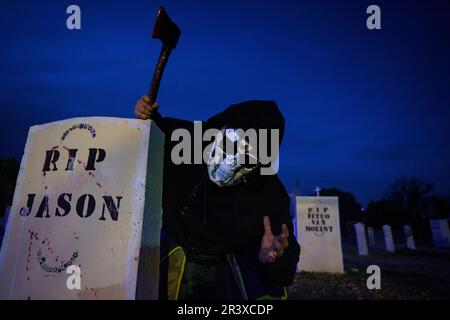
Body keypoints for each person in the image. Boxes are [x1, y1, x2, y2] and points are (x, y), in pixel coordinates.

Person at [135, 96, 300, 300]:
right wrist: (146, 114)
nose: (231, 161)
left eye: (248, 155)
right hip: (176, 264)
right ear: (220, 130)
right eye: (232, 143)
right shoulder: (187, 143)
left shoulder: (270, 192)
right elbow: (154, 128)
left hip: (231, 275)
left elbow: (285, 256)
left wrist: (270, 260)